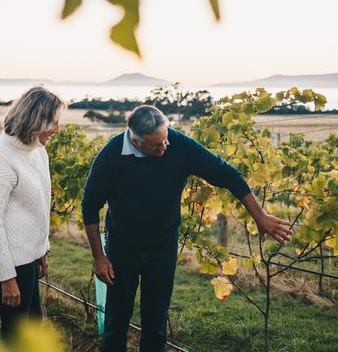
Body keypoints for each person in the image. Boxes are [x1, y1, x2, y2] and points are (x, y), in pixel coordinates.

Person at [81, 105, 293, 352]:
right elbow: (90, 206)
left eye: (166, 139)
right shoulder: (111, 155)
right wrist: (99, 257)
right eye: (156, 146)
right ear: (136, 142)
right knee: (116, 324)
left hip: (162, 249)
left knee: (156, 324)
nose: (165, 148)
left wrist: (260, 216)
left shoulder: (179, 145)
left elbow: (226, 174)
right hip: (122, 250)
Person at [0, 86, 64, 343]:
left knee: (32, 327)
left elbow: (38, 207)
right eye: (54, 122)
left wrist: (42, 250)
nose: (57, 130)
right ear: (36, 120)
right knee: (15, 336)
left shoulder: (37, 150)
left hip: (29, 256)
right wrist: (7, 277)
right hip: (11, 260)